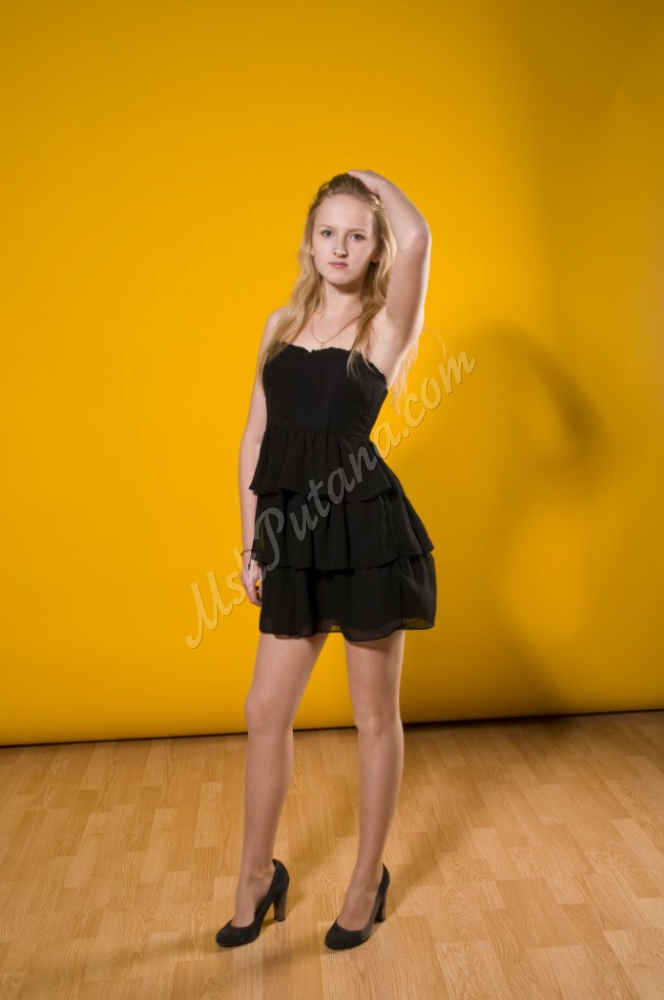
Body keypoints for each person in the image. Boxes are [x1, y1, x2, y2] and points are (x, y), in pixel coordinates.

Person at [216, 170, 436, 950]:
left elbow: (421, 237)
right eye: (327, 231)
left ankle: (365, 881)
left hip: (366, 534)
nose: (340, 246)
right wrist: (253, 544)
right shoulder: (282, 322)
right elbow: (254, 437)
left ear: (375, 249)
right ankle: (255, 878)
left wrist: (368, 177)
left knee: (373, 715)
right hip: (292, 534)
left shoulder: (385, 326)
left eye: (356, 234)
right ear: (309, 242)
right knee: (263, 712)